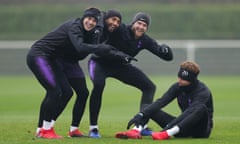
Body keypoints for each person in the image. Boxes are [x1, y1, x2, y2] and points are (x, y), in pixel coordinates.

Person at [26, 7, 119, 139]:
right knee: (54, 92)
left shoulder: (93, 31)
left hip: (52, 59)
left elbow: (89, 48)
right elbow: (80, 47)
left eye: (94, 20)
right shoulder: (74, 27)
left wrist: (116, 54)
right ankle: (44, 130)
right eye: (88, 18)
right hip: (39, 55)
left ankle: (53, 129)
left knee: (69, 93)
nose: (90, 22)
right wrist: (100, 47)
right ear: (83, 18)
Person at [88, 12, 173, 138]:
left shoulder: (145, 40)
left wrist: (166, 50)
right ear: (133, 23)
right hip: (99, 62)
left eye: (144, 25)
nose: (141, 27)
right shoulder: (120, 29)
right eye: (139, 23)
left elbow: (166, 57)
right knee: (99, 85)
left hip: (121, 66)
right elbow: (106, 23)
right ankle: (93, 128)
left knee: (149, 87)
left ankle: (141, 125)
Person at [115, 61, 214, 140]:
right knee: (147, 107)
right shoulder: (178, 87)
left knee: (200, 108)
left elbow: (189, 113)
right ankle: (136, 131)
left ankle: (166, 133)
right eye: (179, 76)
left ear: (192, 80)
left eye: (183, 79)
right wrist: (140, 115)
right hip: (182, 127)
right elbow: (161, 102)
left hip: (201, 131)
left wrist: (167, 129)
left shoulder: (203, 91)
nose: (179, 80)